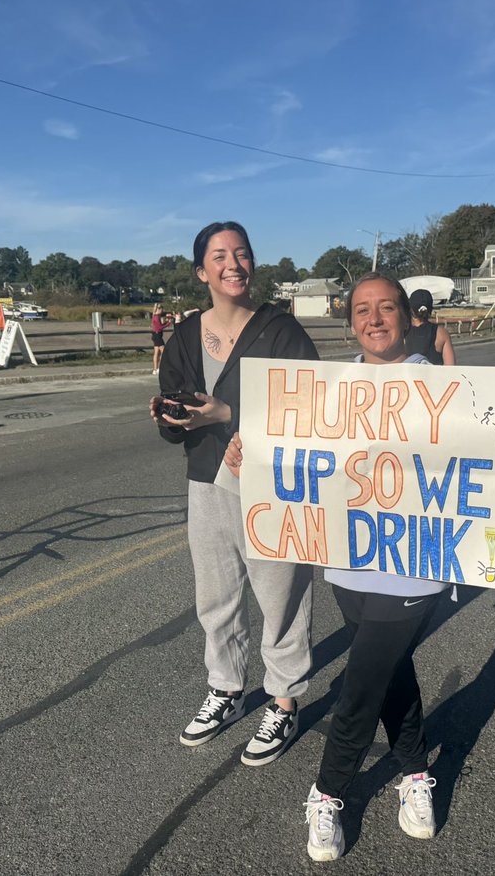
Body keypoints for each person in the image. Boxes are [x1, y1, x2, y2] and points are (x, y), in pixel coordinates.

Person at [223, 272, 495, 861]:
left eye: (386, 306)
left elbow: (486, 482)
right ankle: (415, 771)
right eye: (362, 310)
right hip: (346, 566)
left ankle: (327, 792)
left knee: (360, 688)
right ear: (351, 323)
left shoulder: (446, 391)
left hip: (415, 570)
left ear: (407, 318)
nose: (374, 318)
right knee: (391, 673)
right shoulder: (329, 390)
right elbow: (299, 467)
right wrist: (251, 458)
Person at [150, 221, 319, 765]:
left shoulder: (281, 330)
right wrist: (170, 417)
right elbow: (175, 417)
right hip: (207, 480)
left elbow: (314, 409)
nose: (233, 263)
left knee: (280, 594)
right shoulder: (183, 335)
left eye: (242, 253)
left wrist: (231, 413)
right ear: (202, 271)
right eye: (220, 256)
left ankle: (284, 699)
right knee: (216, 597)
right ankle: (225, 688)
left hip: (274, 483)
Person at [402, 289, 455, 365]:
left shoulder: (401, 332)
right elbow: (451, 368)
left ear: (410, 309)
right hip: (434, 376)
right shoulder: (441, 333)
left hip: (408, 376)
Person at [150, 303, 170, 375]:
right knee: (164, 352)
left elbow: (159, 325)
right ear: (158, 309)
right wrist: (168, 323)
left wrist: (165, 322)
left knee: (156, 352)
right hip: (157, 335)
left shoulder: (155, 316)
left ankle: (155, 369)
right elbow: (160, 327)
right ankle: (162, 367)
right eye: (161, 309)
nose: (162, 311)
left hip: (156, 335)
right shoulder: (156, 317)